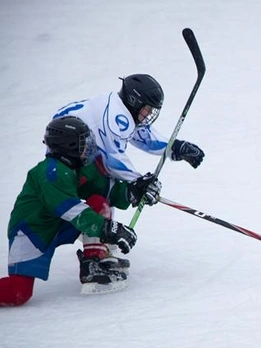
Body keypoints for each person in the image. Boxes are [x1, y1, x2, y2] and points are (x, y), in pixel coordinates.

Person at [0, 116, 161, 306]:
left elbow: (104, 190)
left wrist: (133, 192)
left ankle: (93, 265)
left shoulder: (79, 167)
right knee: (19, 292)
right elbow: (73, 211)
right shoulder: (50, 173)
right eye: (84, 143)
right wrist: (111, 229)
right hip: (32, 231)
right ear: (68, 147)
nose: (90, 147)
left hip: (59, 224)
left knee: (98, 202)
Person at [51, 73, 204, 270]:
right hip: (66, 155)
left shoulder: (123, 110)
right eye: (147, 109)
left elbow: (144, 137)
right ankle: (95, 253)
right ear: (134, 100)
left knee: (107, 186)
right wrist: (139, 182)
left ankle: (99, 239)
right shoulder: (116, 115)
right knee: (104, 187)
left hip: (81, 150)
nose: (149, 115)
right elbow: (112, 158)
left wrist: (177, 147)